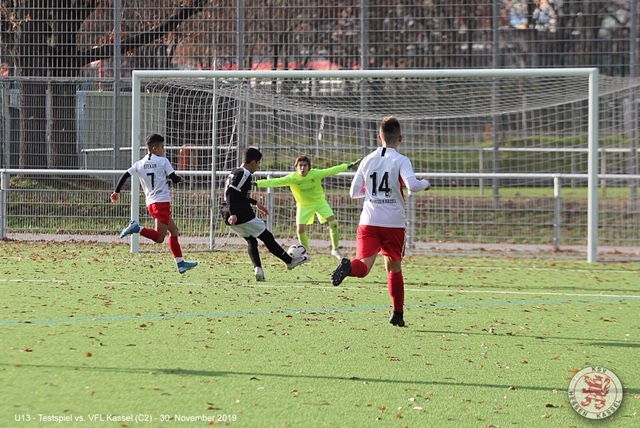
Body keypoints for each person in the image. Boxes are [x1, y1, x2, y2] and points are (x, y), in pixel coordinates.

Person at [330, 116, 431, 327]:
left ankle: (348, 267)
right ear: (400, 138)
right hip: (393, 223)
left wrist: (370, 192)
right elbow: (412, 186)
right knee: (394, 267)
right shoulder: (401, 160)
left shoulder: (367, 159)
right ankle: (398, 314)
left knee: (363, 266)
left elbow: (353, 193)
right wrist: (425, 183)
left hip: (369, 221)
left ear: (379, 137)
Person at [110, 133, 198, 274]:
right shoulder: (163, 161)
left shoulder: (140, 163)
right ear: (155, 148)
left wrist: (117, 191)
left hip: (151, 203)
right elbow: (173, 177)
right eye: (162, 147)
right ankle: (137, 228)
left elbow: (126, 175)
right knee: (159, 238)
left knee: (174, 230)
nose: (164, 149)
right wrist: (180, 179)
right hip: (161, 202)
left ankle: (180, 263)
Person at [222, 147, 309, 281]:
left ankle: (258, 269)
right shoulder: (245, 173)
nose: (258, 167)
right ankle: (289, 261)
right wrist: (234, 213)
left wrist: (255, 202)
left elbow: (238, 194)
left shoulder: (234, 171)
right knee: (267, 237)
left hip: (226, 213)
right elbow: (230, 193)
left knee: (251, 239)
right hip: (239, 213)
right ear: (253, 162)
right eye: (258, 163)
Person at [255, 155, 361, 259]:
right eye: (300, 165)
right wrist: (257, 183)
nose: (302, 168)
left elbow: (331, 170)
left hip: (320, 202)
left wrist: (346, 166)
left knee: (333, 222)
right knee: (300, 230)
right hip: (304, 205)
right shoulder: (292, 178)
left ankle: (335, 249)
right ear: (296, 167)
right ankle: (306, 252)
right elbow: (274, 182)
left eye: (305, 165)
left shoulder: (315, 174)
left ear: (309, 167)